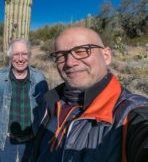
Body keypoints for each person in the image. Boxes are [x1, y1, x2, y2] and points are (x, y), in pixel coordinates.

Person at [32, 27, 148, 162]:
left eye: (81, 51)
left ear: (106, 56)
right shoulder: (50, 103)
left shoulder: (131, 115)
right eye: (61, 56)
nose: (69, 62)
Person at [0, 38, 49, 161]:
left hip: (32, 139)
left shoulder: (39, 78)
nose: (20, 59)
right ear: (10, 56)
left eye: (24, 54)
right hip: (6, 139)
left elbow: (45, 111)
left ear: (29, 55)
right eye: (16, 54)